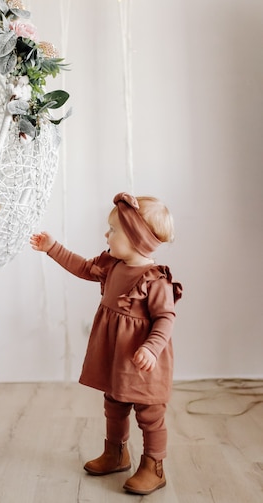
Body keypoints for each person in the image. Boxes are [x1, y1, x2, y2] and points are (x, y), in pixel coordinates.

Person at [30, 192, 182, 495]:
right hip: (116, 354)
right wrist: (52, 248)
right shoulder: (114, 264)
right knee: (114, 402)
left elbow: (166, 319)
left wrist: (151, 348)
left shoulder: (155, 280)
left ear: (137, 238)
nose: (106, 234)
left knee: (149, 412)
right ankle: (116, 453)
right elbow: (84, 268)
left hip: (143, 358)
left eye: (113, 230)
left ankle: (154, 466)